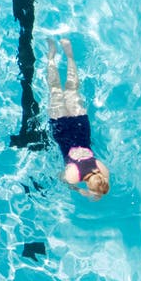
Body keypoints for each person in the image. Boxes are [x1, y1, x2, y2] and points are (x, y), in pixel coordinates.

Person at [43, 37, 110, 200]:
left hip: (81, 126)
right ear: (88, 185)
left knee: (72, 88)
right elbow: (62, 179)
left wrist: (97, 190)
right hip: (62, 130)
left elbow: (103, 182)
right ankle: (51, 56)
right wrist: (80, 191)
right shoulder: (74, 176)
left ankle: (68, 54)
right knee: (55, 90)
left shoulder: (102, 170)